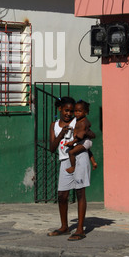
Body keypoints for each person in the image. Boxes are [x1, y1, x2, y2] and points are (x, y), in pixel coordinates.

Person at [47, 96, 92, 241]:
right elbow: (52, 148)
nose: (69, 114)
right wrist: (61, 134)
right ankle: (64, 227)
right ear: (60, 109)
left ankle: (80, 229)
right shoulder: (54, 125)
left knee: (80, 192)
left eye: (71, 111)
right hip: (65, 160)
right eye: (66, 110)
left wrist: (83, 133)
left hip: (79, 157)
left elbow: (91, 134)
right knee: (62, 195)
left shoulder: (77, 120)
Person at [65, 100, 98, 174]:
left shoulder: (83, 123)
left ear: (85, 112)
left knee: (71, 152)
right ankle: (94, 162)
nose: (76, 113)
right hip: (85, 141)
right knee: (88, 151)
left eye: (79, 111)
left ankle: (73, 167)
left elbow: (80, 136)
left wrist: (72, 142)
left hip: (84, 141)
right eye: (75, 111)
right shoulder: (80, 120)